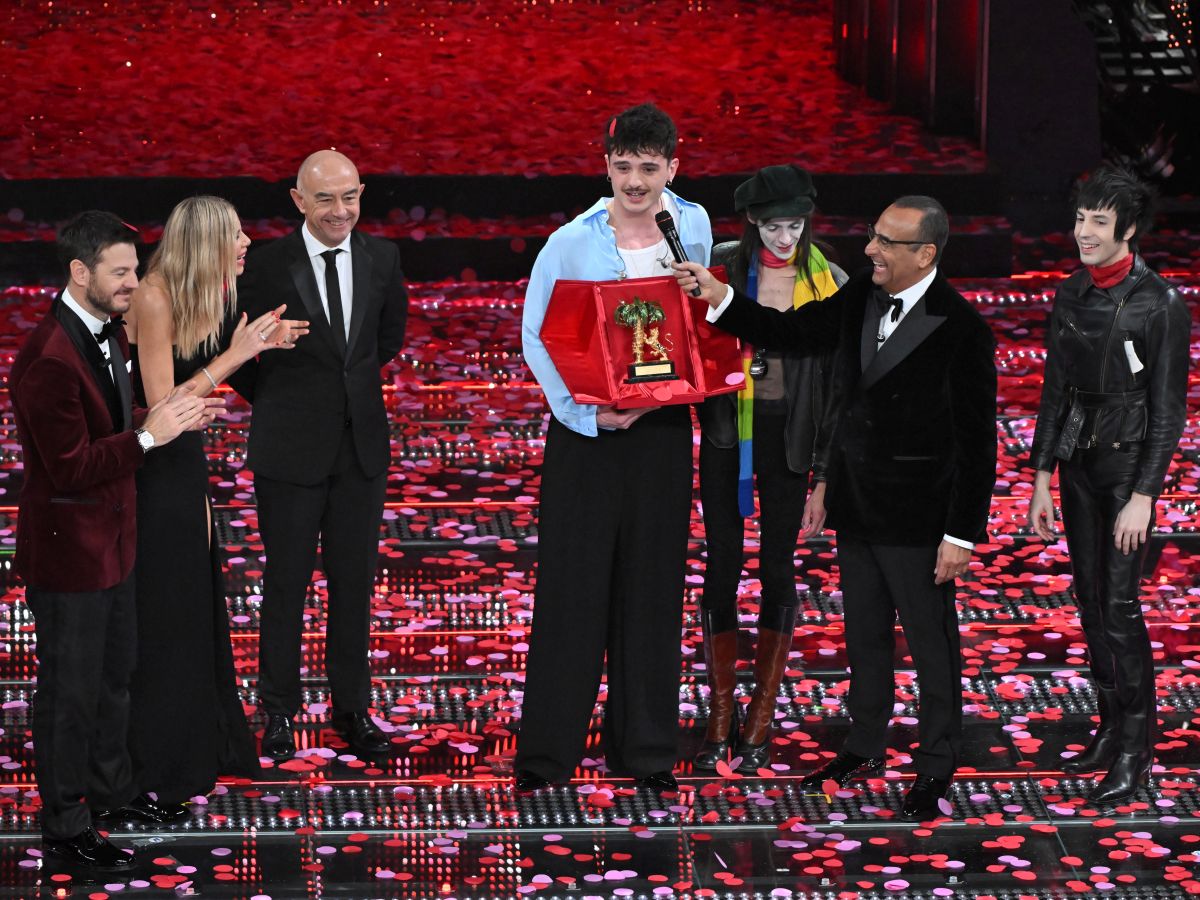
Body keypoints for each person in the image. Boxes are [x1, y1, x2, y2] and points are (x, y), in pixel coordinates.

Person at [674, 196, 996, 820]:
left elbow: (977, 444)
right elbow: (791, 331)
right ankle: (865, 746)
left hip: (920, 521)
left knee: (932, 649)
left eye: (886, 243)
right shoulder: (859, 298)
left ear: (925, 254)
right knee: (865, 640)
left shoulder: (961, 328)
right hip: (857, 505)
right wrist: (721, 298)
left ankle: (936, 765)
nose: (870, 250)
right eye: (873, 235)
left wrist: (961, 534)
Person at [514, 103, 712, 794]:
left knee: (653, 589)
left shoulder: (692, 226)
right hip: (588, 439)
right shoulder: (570, 241)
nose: (634, 182)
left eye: (648, 168)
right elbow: (536, 335)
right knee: (572, 592)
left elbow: (697, 324)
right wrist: (586, 414)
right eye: (623, 167)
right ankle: (547, 756)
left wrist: (671, 394)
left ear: (672, 168)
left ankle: (647, 751)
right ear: (606, 165)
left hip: (662, 435)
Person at [12, 212, 217, 868]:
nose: (134, 283)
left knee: (113, 680)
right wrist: (152, 435)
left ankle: (111, 792)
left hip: (114, 543)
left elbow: (111, 421)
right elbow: (70, 466)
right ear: (81, 273)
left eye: (135, 269)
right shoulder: (47, 360)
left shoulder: (108, 332)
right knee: (70, 694)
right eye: (120, 272)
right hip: (69, 554)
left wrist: (172, 415)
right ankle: (65, 822)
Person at [123, 196, 308, 811]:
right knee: (169, 607)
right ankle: (162, 753)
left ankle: (198, 741)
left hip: (183, 463)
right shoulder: (153, 296)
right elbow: (162, 406)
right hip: (153, 468)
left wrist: (260, 343)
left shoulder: (199, 296)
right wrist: (237, 354)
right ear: (204, 241)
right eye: (235, 234)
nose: (246, 243)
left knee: (195, 599)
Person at [228, 151, 409, 760]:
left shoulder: (383, 257)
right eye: (326, 199)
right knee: (286, 583)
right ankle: (278, 711)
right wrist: (277, 398)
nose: (340, 211)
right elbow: (233, 347)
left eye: (350, 197)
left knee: (353, 585)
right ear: (298, 200)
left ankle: (352, 710)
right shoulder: (265, 265)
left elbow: (385, 340)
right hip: (288, 450)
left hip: (360, 450)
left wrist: (344, 392)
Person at [1028, 166, 1188, 806]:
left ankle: (1134, 750)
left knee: (1121, 608)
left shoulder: (1161, 303)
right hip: (1077, 463)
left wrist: (1145, 495)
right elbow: (1055, 389)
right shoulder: (1071, 292)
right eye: (1080, 218)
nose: (1084, 232)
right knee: (1091, 601)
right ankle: (1110, 727)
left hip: (1127, 469)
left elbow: (1169, 410)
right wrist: (1041, 476)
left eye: (1099, 221)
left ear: (1129, 228)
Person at [694, 164, 847, 774]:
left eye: (796, 226)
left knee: (778, 566)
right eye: (774, 227)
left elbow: (837, 392)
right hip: (727, 432)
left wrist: (824, 478)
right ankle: (721, 711)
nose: (786, 239)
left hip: (792, 438)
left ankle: (761, 711)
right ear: (753, 223)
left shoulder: (830, 280)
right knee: (723, 563)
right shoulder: (721, 267)